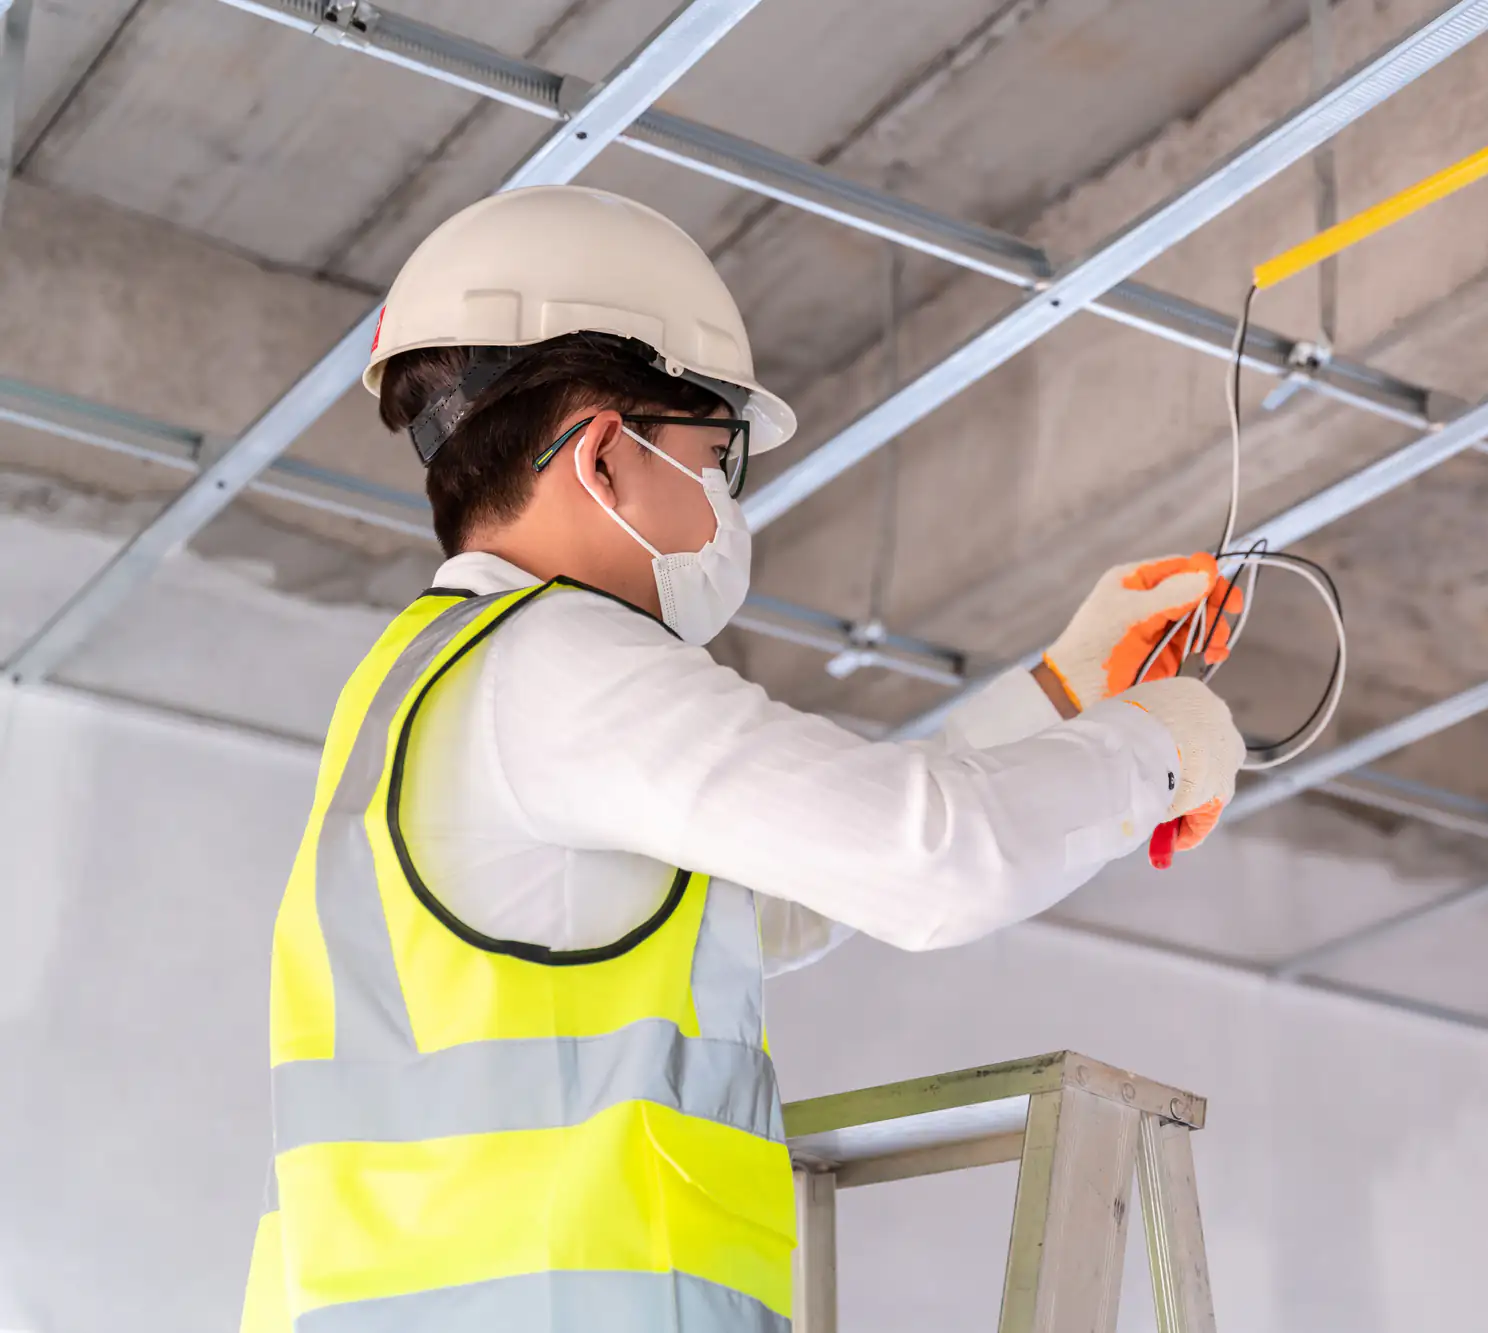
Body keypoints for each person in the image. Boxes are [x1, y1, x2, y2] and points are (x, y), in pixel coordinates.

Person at [239, 185, 1246, 1333]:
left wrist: (1060, 695)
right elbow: (938, 862)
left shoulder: (422, 690)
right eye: (719, 455)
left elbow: (781, 898)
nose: (725, 501)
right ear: (607, 456)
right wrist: (1162, 745)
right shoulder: (558, 658)